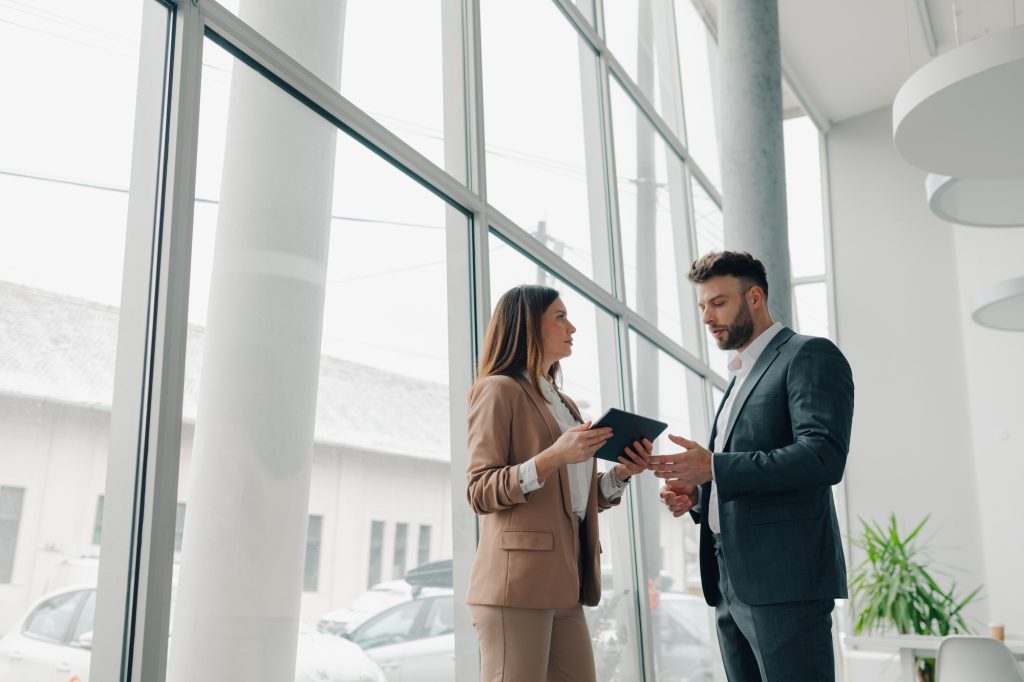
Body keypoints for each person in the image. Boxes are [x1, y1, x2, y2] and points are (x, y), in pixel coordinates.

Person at [652, 251, 854, 681]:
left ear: (755, 297)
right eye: (702, 306)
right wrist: (699, 494)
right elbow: (736, 471)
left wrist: (715, 468)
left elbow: (822, 456)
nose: (707, 316)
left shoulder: (808, 355)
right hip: (729, 582)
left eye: (718, 302)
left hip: (784, 584)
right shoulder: (740, 375)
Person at [466, 284, 652, 682]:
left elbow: (574, 500)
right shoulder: (498, 390)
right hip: (517, 584)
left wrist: (621, 474)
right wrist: (554, 456)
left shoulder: (565, 404)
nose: (573, 327)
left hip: (568, 578)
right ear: (530, 325)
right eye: (561, 317)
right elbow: (479, 491)